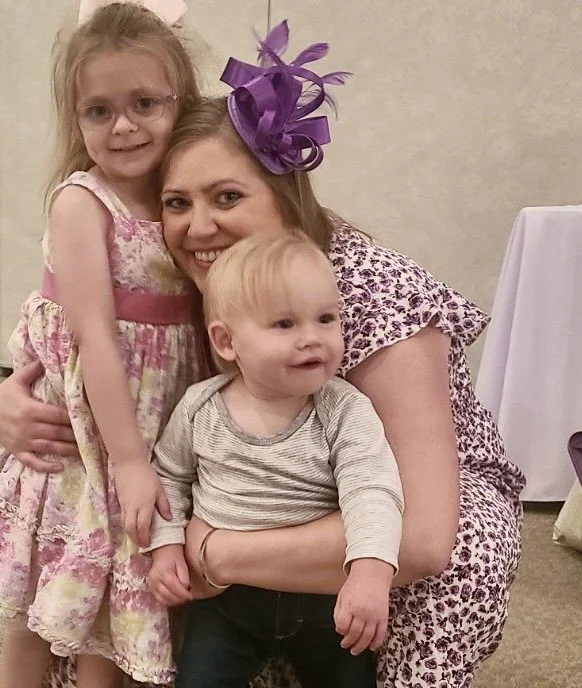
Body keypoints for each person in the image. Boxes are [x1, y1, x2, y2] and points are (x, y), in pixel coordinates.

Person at [0, 19, 525, 688]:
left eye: (228, 197)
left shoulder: (372, 288)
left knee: (459, 551)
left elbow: (423, 538)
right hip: (253, 487)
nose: (198, 226)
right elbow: (79, 339)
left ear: (284, 194)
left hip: (392, 508)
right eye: (176, 202)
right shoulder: (193, 273)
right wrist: (2, 403)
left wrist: (213, 550)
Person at [0, 4, 205, 688]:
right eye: (98, 110)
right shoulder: (83, 203)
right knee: (42, 604)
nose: (123, 126)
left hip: (159, 432)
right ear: (74, 119)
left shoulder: (184, 199)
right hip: (86, 447)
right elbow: (96, 339)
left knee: (110, 612)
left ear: (182, 102)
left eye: (144, 103)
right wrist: (129, 462)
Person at [145, 230, 404, 688]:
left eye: (326, 318)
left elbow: (372, 490)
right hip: (225, 602)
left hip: (323, 597)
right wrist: (165, 548)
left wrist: (370, 574)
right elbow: (168, 477)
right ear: (227, 341)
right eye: (285, 324)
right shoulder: (200, 408)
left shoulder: (343, 409)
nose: (313, 339)